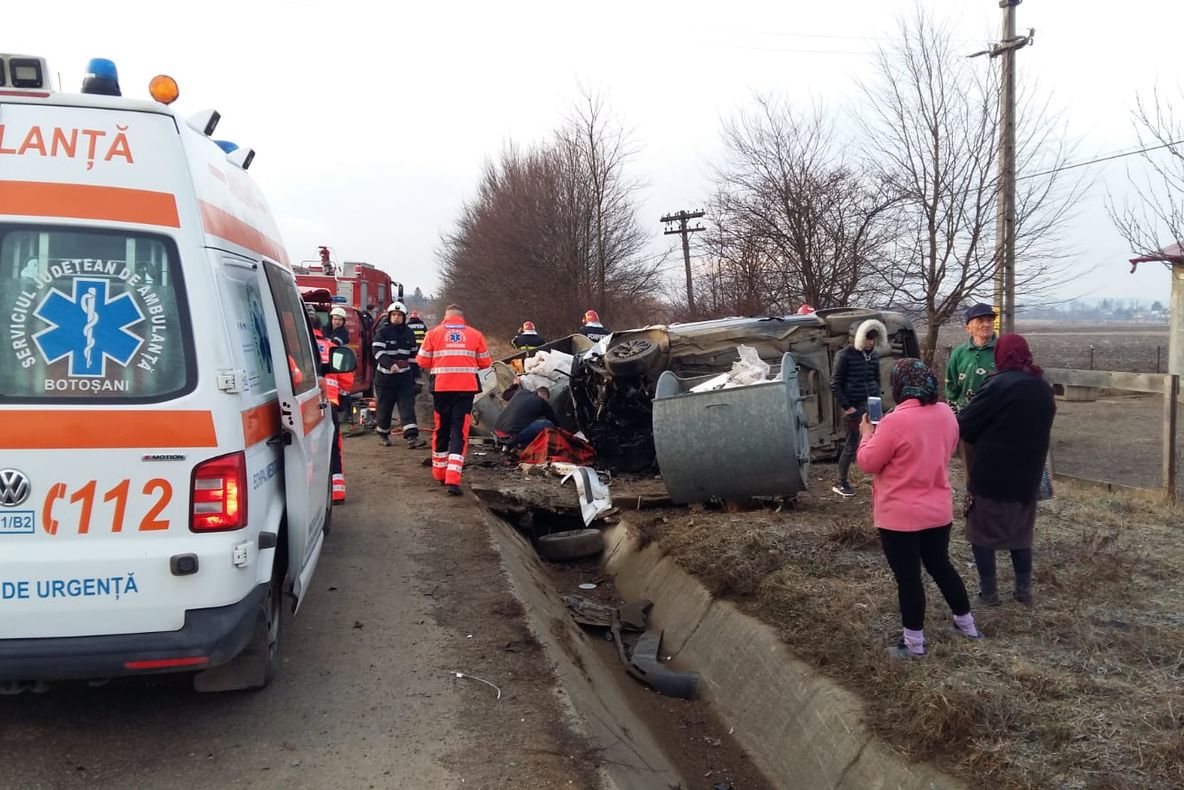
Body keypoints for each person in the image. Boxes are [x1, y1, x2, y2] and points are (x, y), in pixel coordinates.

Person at [857, 359, 980, 658]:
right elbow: (947, 447)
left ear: (898, 386)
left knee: (909, 578)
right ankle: (967, 626)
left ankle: (914, 644)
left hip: (899, 517)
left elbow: (867, 462)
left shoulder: (893, 422)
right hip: (938, 511)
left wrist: (866, 434)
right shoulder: (946, 414)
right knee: (941, 566)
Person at [956, 334, 1056, 606]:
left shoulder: (996, 385)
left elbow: (966, 424)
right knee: (1021, 535)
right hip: (1028, 476)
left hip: (991, 474)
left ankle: (989, 594)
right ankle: (1024, 591)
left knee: (981, 534)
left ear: (1001, 355)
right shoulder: (1042, 387)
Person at [416, 304, 492, 495]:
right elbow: (485, 362)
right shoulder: (475, 334)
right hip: (466, 389)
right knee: (459, 431)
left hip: (441, 388)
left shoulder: (433, 333)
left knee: (441, 428)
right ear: (462, 317)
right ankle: (453, 478)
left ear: (446, 317)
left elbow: (422, 361)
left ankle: (439, 472)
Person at [829, 319, 887, 497]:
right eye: (868, 338)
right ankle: (841, 481)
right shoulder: (844, 355)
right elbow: (835, 383)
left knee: (880, 440)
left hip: (873, 405)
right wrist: (848, 407)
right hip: (853, 407)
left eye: (873, 339)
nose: (871, 342)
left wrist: (877, 400)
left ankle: (882, 477)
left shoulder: (873, 355)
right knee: (851, 444)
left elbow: (876, 379)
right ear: (859, 337)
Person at [371, 302, 424, 449]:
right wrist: (389, 364)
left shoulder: (409, 333)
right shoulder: (382, 332)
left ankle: (411, 437)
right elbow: (378, 352)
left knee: (407, 407)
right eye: (393, 314)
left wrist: (415, 374)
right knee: (384, 408)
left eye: (399, 315)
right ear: (389, 316)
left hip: (403, 378)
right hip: (385, 379)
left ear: (404, 317)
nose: (396, 317)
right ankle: (383, 434)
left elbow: (413, 355)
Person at [312, 325, 347, 502]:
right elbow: (346, 377)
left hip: (304, 406)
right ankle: (337, 491)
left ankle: (314, 492)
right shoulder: (332, 347)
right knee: (333, 446)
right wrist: (343, 393)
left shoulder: (297, 347)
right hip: (330, 403)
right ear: (321, 328)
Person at [945, 303, 998, 412]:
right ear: (968, 328)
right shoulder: (959, 353)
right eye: (980, 321)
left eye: (989, 320)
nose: (986, 324)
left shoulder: (1003, 350)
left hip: (995, 415)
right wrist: (954, 415)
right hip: (965, 414)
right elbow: (951, 387)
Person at [406, 309, 428, 380]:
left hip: (412, 345)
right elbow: (426, 335)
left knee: (412, 359)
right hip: (421, 345)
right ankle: (419, 372)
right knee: (420, 359)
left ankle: (413, 373)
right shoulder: (423, 325)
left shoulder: (408, 325)